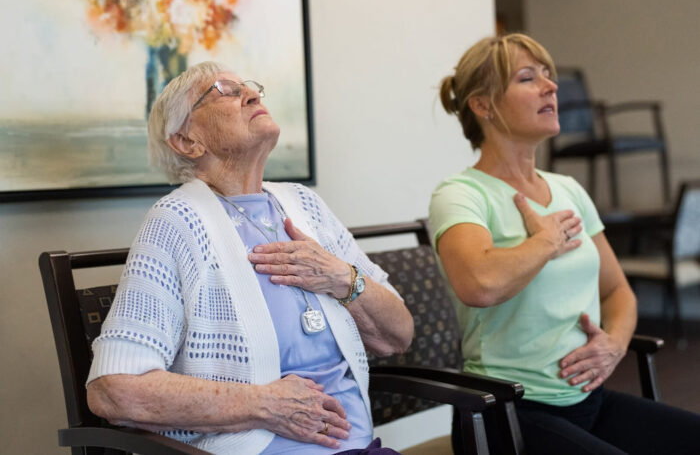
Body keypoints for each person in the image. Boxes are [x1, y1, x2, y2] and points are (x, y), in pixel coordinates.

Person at [86, 61, 414, 454]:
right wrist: (265, 405)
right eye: (224, 90)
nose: (253, 94)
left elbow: (399, 334)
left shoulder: (305, 204)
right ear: (187, 141)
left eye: (250, 87)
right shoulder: (176, 222)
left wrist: (341, 277)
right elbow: (114, 390)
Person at [429, 33, 700, 454]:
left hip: (589, 400)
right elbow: (478, 284)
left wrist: (614, 345)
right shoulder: (461, 194)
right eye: (527, 78)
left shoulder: (568, 189)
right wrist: (546, 242)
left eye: (548, 76)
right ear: (482, 106)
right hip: (508, 414)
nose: (551, 86)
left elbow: (617, 292)